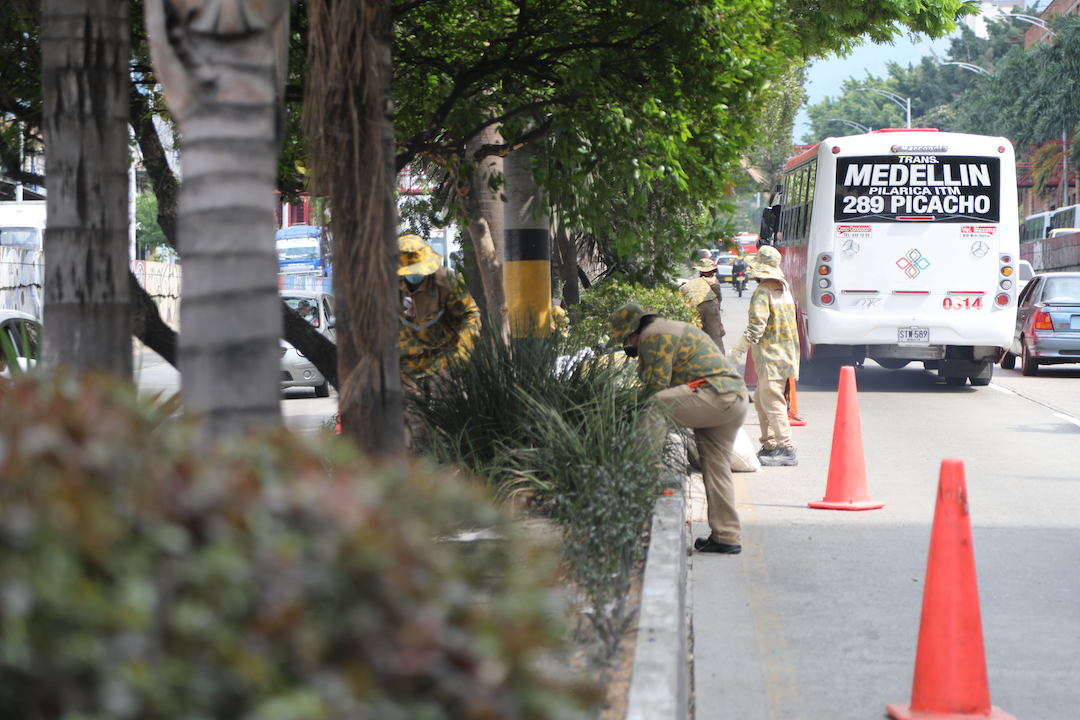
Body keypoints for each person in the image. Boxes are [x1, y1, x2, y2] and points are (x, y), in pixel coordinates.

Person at [609, 301, 749, 554]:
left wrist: (624, 407)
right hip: (733, 397)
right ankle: (726, 536)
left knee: (654, 406)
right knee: (716, 468)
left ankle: (646, 481)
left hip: (714, 394)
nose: (627, 347)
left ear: (632, 331)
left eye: (625, 341)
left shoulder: (654, 335)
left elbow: (656, 386)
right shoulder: (667, 328)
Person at [727, 245, 801, 467]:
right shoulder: (784, 290)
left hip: (771, 358)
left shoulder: (762, 292)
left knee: (773, 403)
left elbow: (756, 327)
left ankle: (786, 448)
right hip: (786, 355)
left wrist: (736, 350)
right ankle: (769, 445)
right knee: (761, 401)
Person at [398, 234, 481, 384]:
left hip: (443, 364)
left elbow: (470, 314)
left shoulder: (447, 281)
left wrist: (463, 352)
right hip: (403, 370)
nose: (415, 275)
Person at [679, 257, 726, 353]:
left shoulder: (690, 284)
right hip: (712, 306)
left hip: (696, 307)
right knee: (716, 338)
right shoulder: (714, 281)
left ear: (700, 271)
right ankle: (721, 365)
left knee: (693, 337)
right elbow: (718, 299)